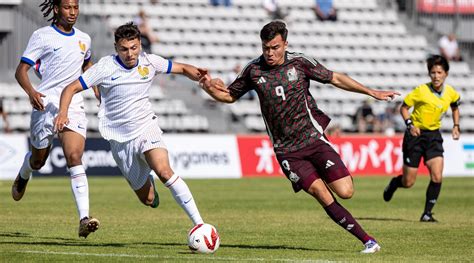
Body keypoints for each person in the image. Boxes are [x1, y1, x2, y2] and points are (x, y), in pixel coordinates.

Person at [200, 21, 399, 253]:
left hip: (313, 139)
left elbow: (335, 78)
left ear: (285, 43)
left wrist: (371, 92)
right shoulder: (253, 70)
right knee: (320, 193)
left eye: (275, 47)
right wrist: (208, 88)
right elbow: (229, 96)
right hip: (287, 151)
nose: (270, 53)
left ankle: (321, 176)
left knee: (346, 191)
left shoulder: (301, 62)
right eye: (266, 48)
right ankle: (368, 241)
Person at [54, 22, 211, 228]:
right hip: (120, 139)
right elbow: (71, 88)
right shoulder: (105, 67)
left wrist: (202, 76)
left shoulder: (150, 62)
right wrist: (63, 113)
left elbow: (181, 68)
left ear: (140, 46)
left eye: (134, 48)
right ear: (116, 48)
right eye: (124, 49)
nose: (130, 54)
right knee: (148, 200)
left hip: (146, 127)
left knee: (165, 171)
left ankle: (200, 225)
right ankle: (147, 183)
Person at [11, 0, 99, 238]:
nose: (73, 12)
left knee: (74, 156)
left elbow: (87, 63)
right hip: (46, 103)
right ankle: (25, 171)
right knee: (39, 160)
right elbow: (21, 71)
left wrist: (96, 88)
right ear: (57, 9)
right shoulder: (42, 36)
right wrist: (32, 93)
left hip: (74, 105)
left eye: (76, 7)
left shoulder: (84, 38)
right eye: (68, 7)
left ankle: (84, 218)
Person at [383, 55, 461, 222]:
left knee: (437, 176)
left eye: (439, 72)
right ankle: (395, 183)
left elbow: (455, 106)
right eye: (432, 72)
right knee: (409, 182)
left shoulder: (451, 92)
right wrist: (410, 124)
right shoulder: (421, 90)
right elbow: (403, 108)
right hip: (415, 136)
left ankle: (427, 214)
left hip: (433, 136)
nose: (436, 76)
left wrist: (456, 126)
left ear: (446, 74)